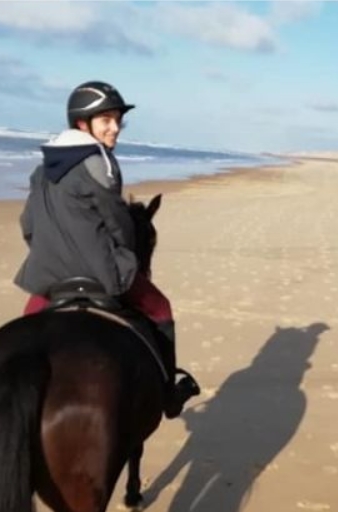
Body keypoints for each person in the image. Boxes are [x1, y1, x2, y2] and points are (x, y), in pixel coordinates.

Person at [14, 80, 200, 418]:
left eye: (117, 120)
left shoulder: (41, 170)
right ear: (83, 125)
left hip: (50, 276)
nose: (115, 129)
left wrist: (49, 256)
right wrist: (126, 256)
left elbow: (28, 224)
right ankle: (168, 392)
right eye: (106, 121)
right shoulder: (100, 162)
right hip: (102, 273)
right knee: (160, 309)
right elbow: (118, 224)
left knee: (27, 323)